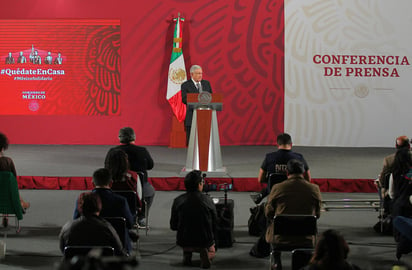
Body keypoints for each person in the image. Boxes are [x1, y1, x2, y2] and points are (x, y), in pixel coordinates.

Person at [265, 159, 321, 270]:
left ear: (287, 173)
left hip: (280, 238)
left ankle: (276, 262)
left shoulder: (278, 188)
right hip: (306, 238)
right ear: (303, 173)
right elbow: (318, 214)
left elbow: (268, 213)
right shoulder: (314, 189)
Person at [73, 168, 135, 253]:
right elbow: (130, 224)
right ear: (111, 183)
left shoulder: (82, 200)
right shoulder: (121, 201)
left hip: (87, 245)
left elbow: (76, 221)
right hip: (116, 247)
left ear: (93, 184)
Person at [105, 127, 154, 227]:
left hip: (115, 187)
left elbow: (106, 167)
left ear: (120, 138)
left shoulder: (112, 152)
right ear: (134, 137)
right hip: (139, 187)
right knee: (150, 192)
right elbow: (150, 166)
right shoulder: (142, 151)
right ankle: (141, 217)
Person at [170, 170, 218, 268]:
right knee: (211, 247)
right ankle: (206, 253)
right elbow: (215, 221)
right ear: (200, 184)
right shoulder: (207, 200)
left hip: (183, 239)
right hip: (204, 239)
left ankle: (187, 254)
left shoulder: (178, 200)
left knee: (187, 235)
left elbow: (173, 225)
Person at [251, 133, 311, 204]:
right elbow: (308, 179)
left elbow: (260, 179)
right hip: (294, 190)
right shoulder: (299, 158)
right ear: (291, 144)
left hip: (274, 192)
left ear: (277, 144)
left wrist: (272, 180)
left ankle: (264, 193)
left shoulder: (269, 157)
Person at [60, 192, 126, 256]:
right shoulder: (107, 228)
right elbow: (119, 252)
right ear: (99, 205)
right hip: (102, 266)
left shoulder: (67, 228)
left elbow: (63, 250)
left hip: (75, 266)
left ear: (80, 207)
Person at [181, 65, 213, 145]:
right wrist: (197, 100)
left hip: (205, 117)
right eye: (198, 73)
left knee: (204, 142)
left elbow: (212, 98)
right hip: (192, 116)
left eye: (201, 73)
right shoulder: (185, 85)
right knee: (192, 143)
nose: (200, 75)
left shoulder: (206, 83)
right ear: (192, 74)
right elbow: (184, 99)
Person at [0, 132, 30, 211]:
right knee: (10, 185)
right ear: (2, 148)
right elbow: (14, 179)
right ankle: (20, 203)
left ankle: (21, 202)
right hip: (6, 192)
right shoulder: (8, 161)